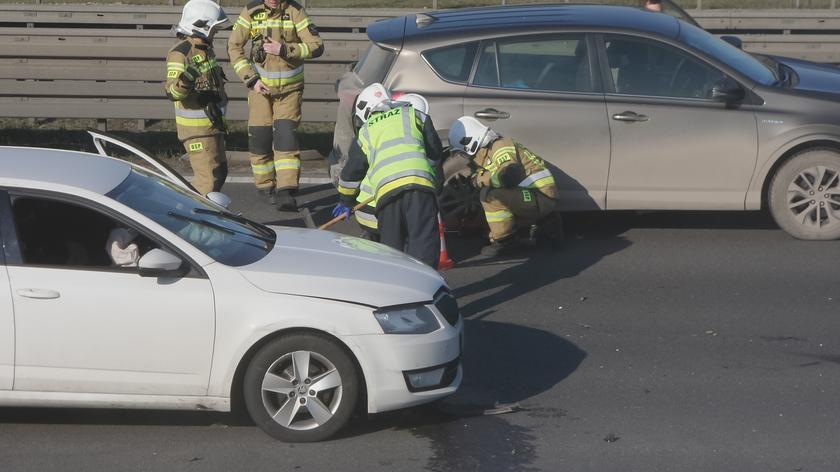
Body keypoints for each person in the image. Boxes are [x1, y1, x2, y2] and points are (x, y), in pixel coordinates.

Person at [228, 0, 324, 211]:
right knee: (260, 138)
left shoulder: (295, 12)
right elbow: (234, 47)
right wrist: (251, 79)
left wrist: (285, 49)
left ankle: (286, 190)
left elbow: (317, 46)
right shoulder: (250, 12)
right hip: (260, 90)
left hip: (289, 91)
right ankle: (265, 186)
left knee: (285, 137)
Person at [333, 84, 443, 268]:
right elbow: (435, 153)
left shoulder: (367, 130)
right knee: (423, 241)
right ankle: (425, 287)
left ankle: (393, 288)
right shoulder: (416, 115)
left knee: (391, 248)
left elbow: (353, 171)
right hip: (419, 187)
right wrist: (431, 179)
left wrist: (345, 200)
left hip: (386, 194)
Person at [448, 116, 563, 257]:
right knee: (492, 203)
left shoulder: (500, 146)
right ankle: (546, 224)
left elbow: (509, 176)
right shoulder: (489, 152)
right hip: (536, 196)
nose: (465, 156)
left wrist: (480, 180)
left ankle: (505, 241)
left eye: (463, 152)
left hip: (540, 196)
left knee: (490, 197)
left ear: (470, 142)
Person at [165, 0, 230, 196]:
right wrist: (186, 79)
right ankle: (195, 222)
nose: (215, 33)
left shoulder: (205, 48)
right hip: (197, 131)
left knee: (220, 173)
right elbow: (172, 92)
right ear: (200, 26)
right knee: (207, 181)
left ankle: (211, 218)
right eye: (213, 29)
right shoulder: (180, 53)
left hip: (212, 126)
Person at [353, 93, 432, 242]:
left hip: (365, 211)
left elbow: (352, 171)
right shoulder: (416, 147)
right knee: (415, 231)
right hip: (380, 210)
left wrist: (345, 200)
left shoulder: (375, 133)